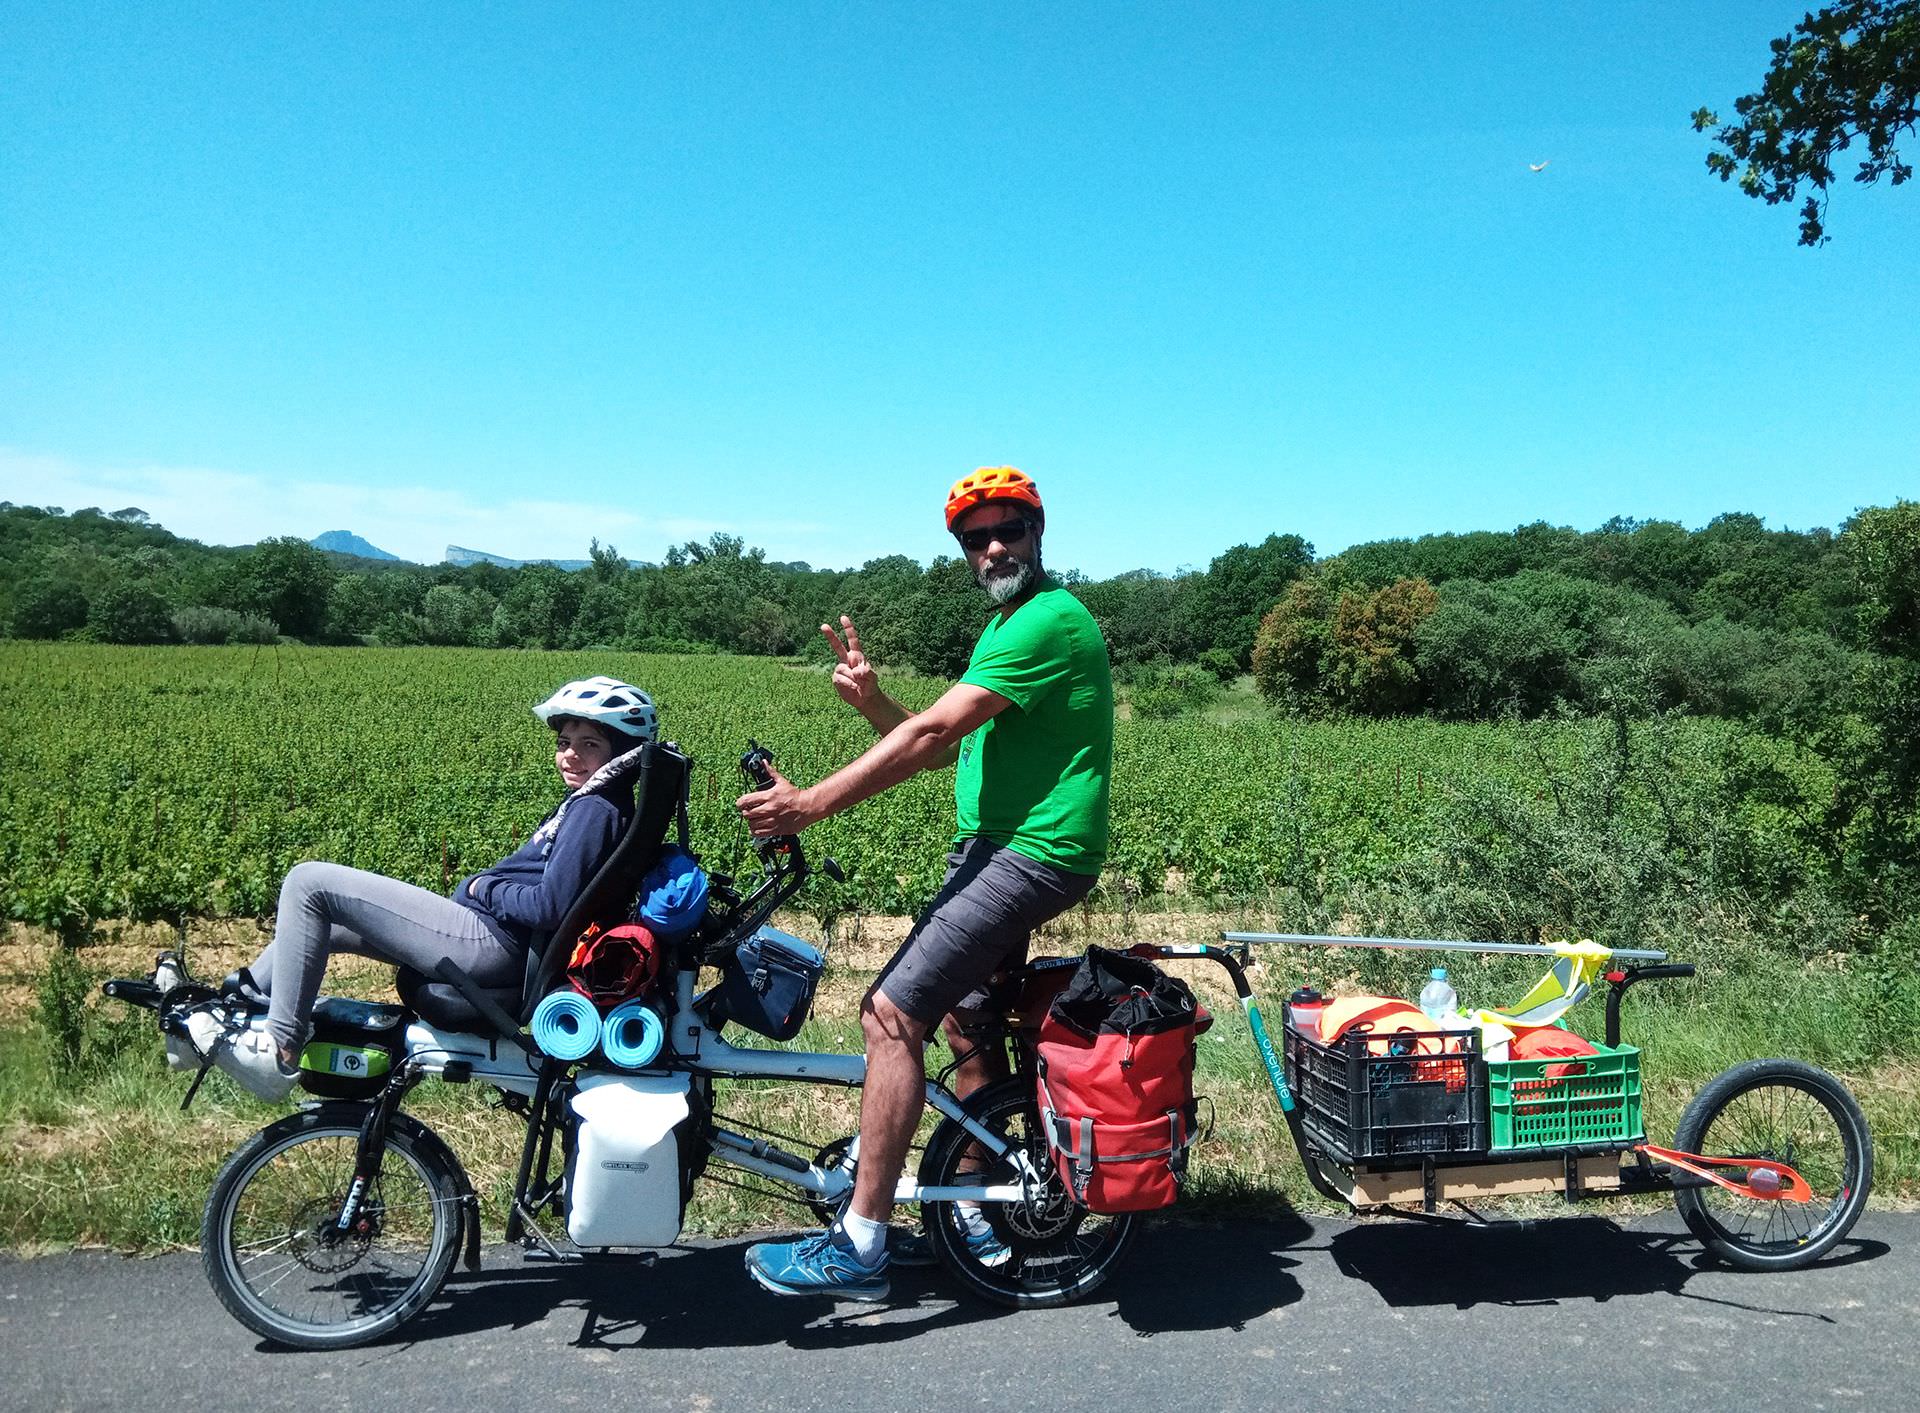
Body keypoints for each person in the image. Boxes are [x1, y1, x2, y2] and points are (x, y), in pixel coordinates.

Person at [736, 466, 1113, 1301]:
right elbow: (942, 746)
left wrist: (808, 805)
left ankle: (860, 1244)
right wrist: (875, 702)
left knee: (891, 1013)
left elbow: (935, 730)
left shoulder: (1046, 621)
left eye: (1006, 530)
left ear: (1037, 532)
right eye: (974, 538)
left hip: (1031, 852)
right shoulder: (1011, 625)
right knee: (964, 1022)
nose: (991, 548)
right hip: (995, 848)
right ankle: (975, 1206)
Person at [169, 675, 658, 1100]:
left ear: (620, 752)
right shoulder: (594, 803)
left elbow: (550, 906)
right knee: (332, 923)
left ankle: (278, 1048)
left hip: (493, 944)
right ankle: (235, 1007)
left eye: (589, 743)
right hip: (495, 937)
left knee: (309, 882)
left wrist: (482, 887)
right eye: (564, 741)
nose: (570, 754)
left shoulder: (595, 811)